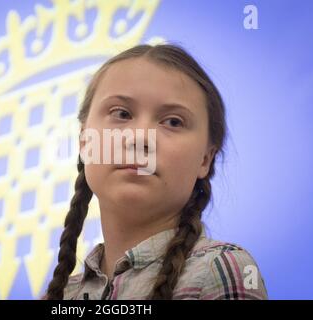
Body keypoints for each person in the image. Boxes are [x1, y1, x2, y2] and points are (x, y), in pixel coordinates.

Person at [43, 43, 268, 300]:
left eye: (173, 121)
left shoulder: (218, 269)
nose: (140, 137)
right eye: (121, 113)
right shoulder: (61, 295)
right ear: (84, 141)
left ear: (205, 159)